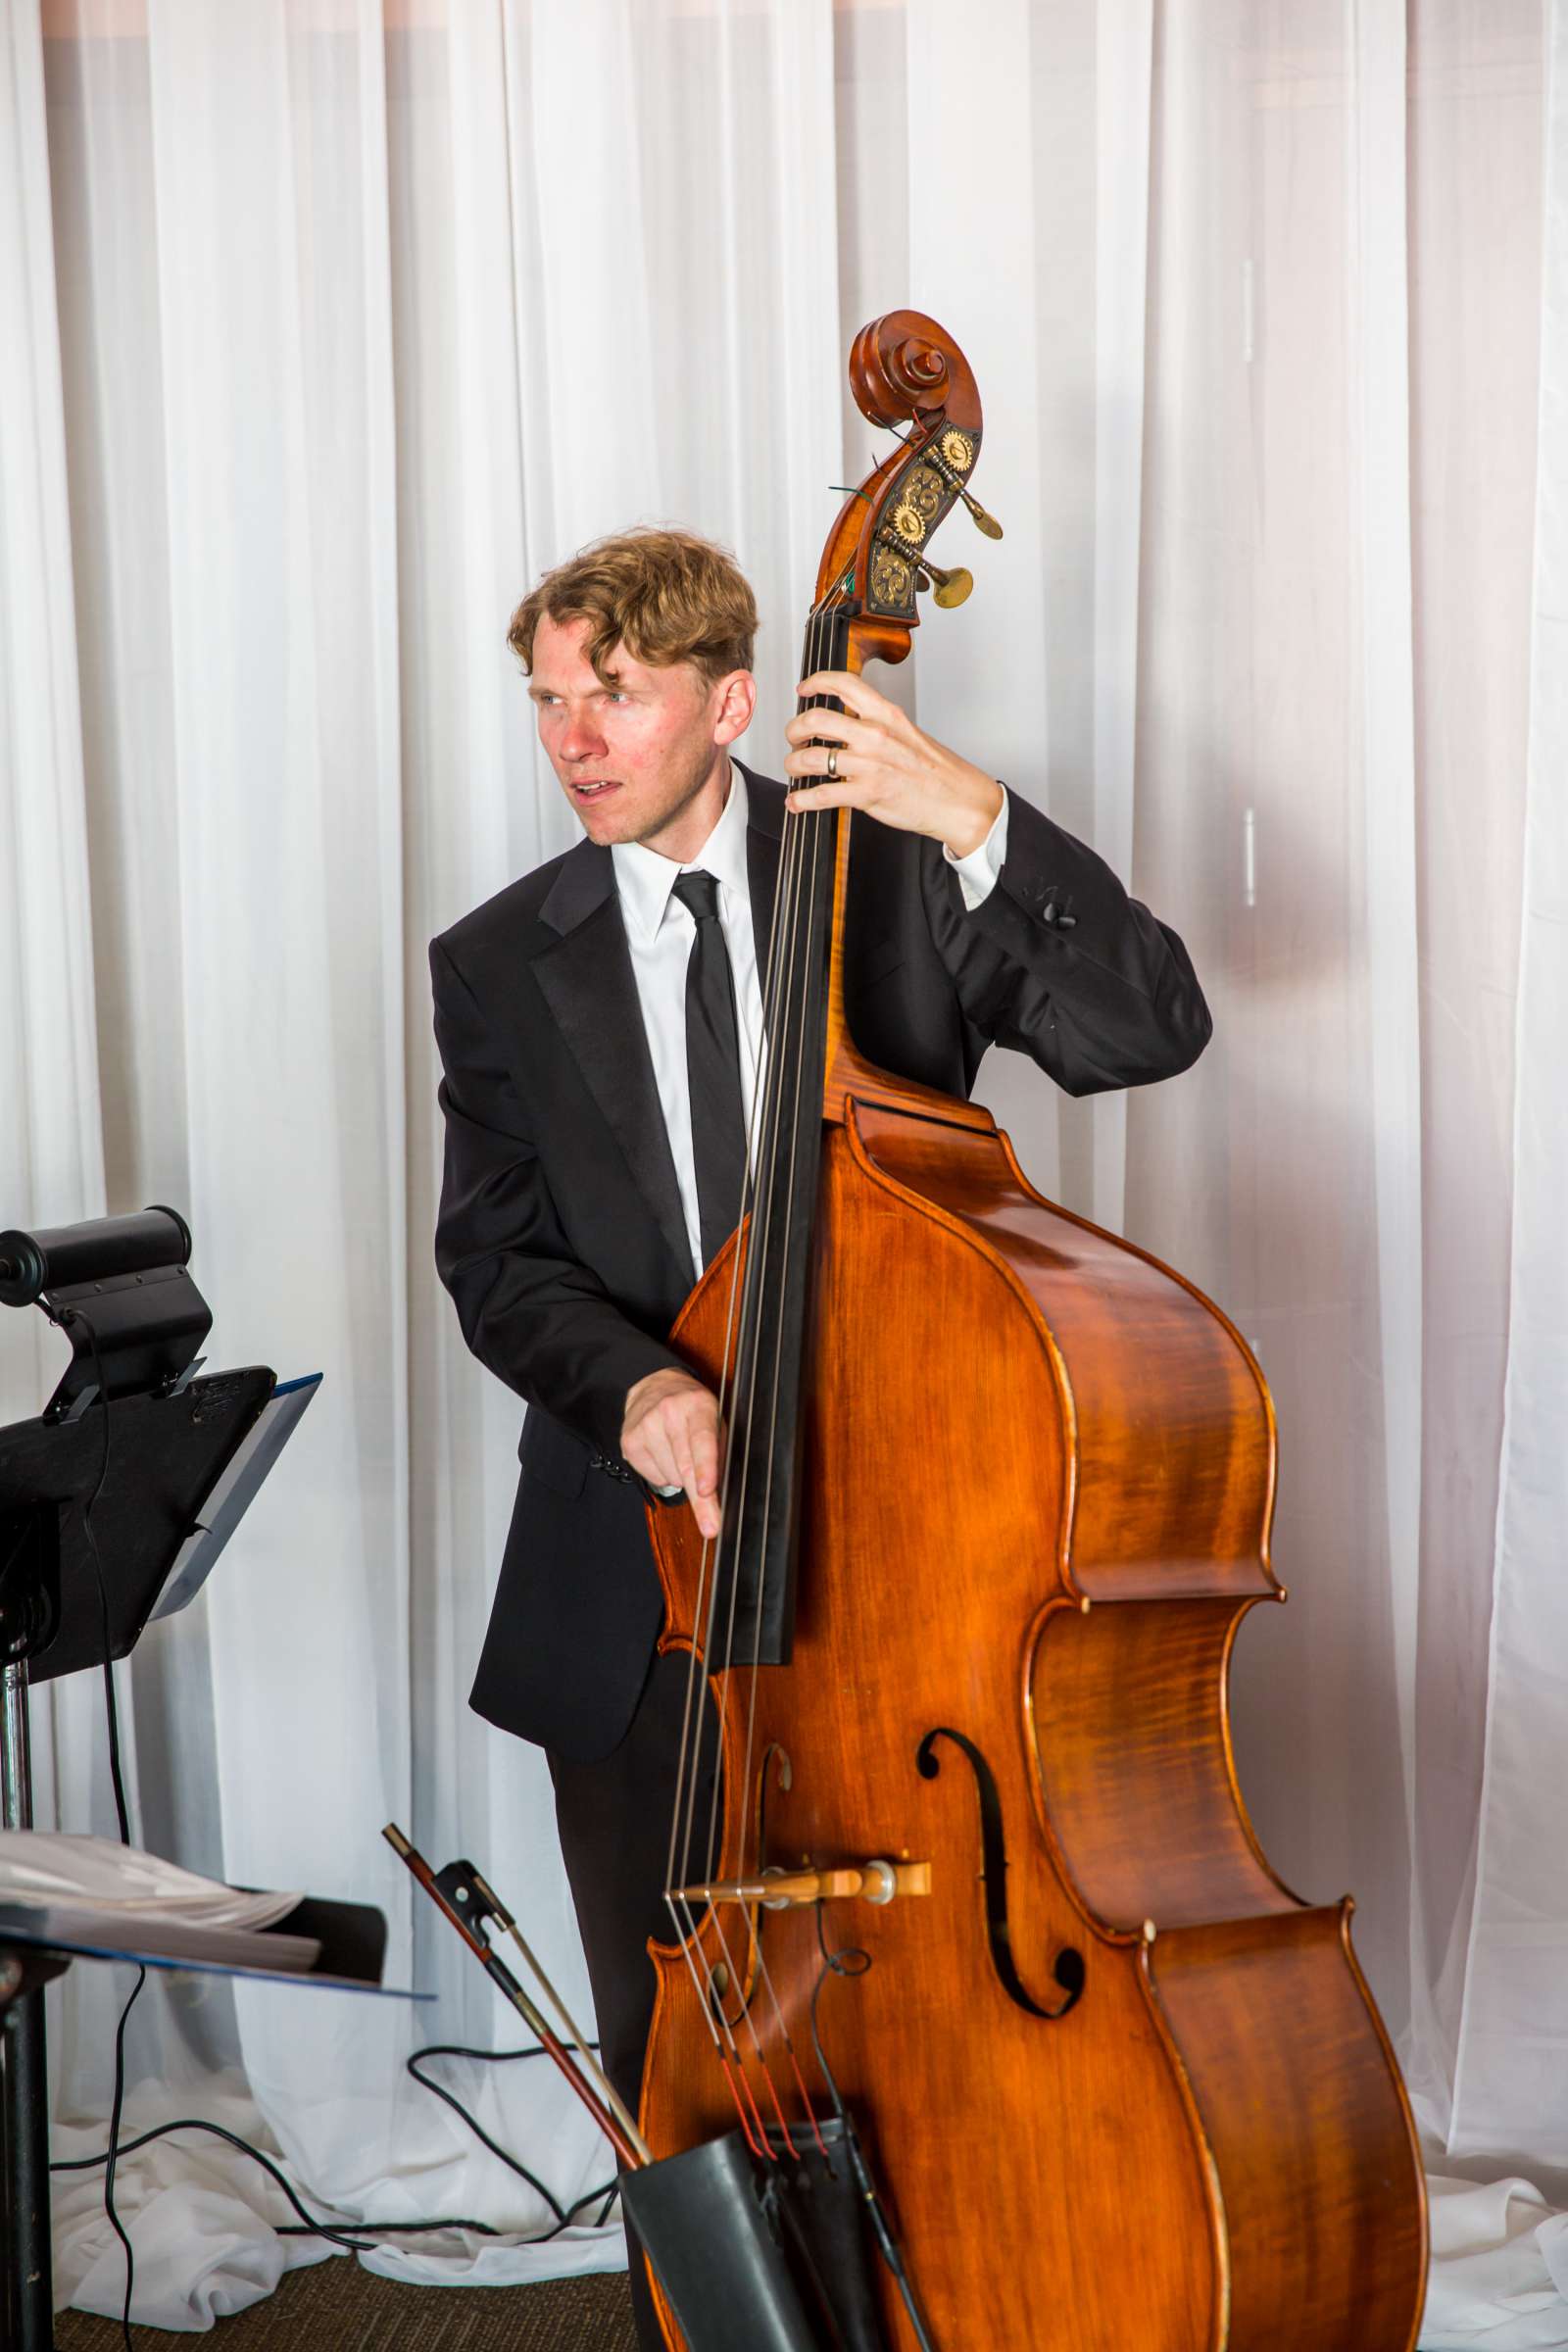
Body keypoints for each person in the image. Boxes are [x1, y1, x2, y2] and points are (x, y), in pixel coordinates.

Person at [430, 525, 1210, 2343]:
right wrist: (641, 1390)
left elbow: (1146, 1027)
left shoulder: (882, 875)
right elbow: (497, 1258)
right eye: (548, 700)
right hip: (640, 1590)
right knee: (680, 2056)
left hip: (904, 1569)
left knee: (924, 2034)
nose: (572, 735)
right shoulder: (496, 960)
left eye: (610, 694)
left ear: (728, 702)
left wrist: (975, 816)